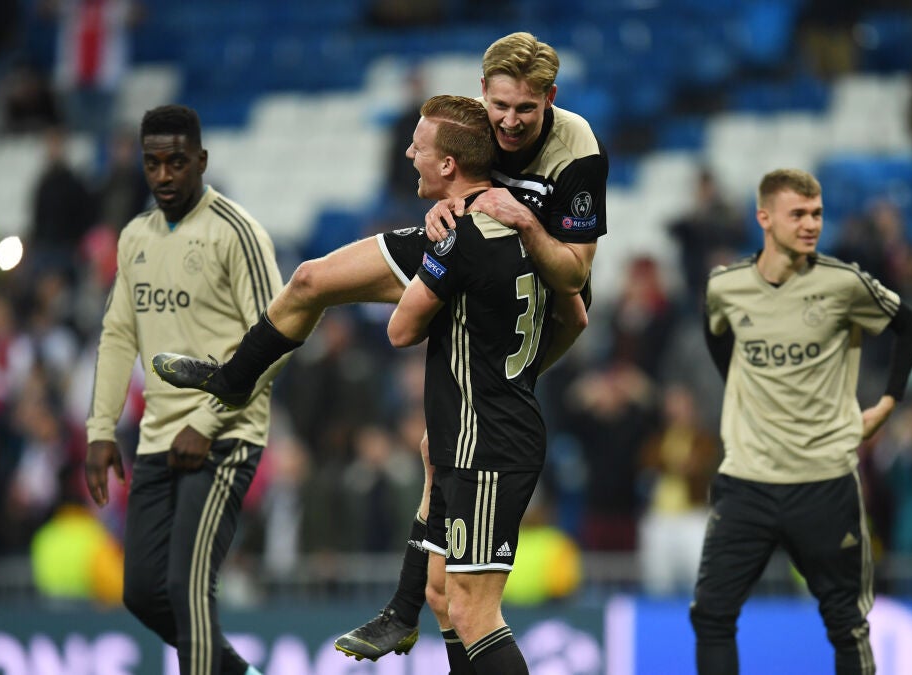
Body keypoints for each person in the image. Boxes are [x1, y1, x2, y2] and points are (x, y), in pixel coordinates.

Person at [152, 31, 607, 661]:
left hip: (525, 264)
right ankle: (235, 380)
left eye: (525, 110)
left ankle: (401, 608)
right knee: (310, 280)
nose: (508, 121)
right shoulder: (476, 125)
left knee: (468, 589)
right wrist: (452, 208)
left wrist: (519, 223)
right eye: (499, 105)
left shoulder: (576, 146)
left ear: (550, 99)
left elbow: (575, 282)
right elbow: (456, 164)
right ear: (483, 90)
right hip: (468, 242)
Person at [692, 168, 912, 675]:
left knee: (846, 623)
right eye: (797, 214)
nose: (811, 224)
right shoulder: (726, 287)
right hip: (748, 480)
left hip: (823, 481)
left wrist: (889, 401)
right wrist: (740, 386)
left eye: (817, 214)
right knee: (711, 614)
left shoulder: (844, 283)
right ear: (764, 218)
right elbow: (716, 332)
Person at [85, 104, 279, 675]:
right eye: (152, 164)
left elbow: (278, 336)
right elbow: (118, 335)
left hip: (225, 435)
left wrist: (208, 420)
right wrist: (100, 429)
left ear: (201, 160)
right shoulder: (134, 237)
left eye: (176, 161)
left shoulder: (237, 233)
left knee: (186, 585)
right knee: (143, 593)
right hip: (157, 439)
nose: (164, 175)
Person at [387, 93, 575, 675]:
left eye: (418, 146)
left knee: (472, 612)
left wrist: (436, 262)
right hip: (484, 432)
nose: (409, 154)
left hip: (486, 441)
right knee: (444, 596)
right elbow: (576, 315)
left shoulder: (464, 236)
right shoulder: (534, 231)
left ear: (449, 164)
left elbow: (400, 330)